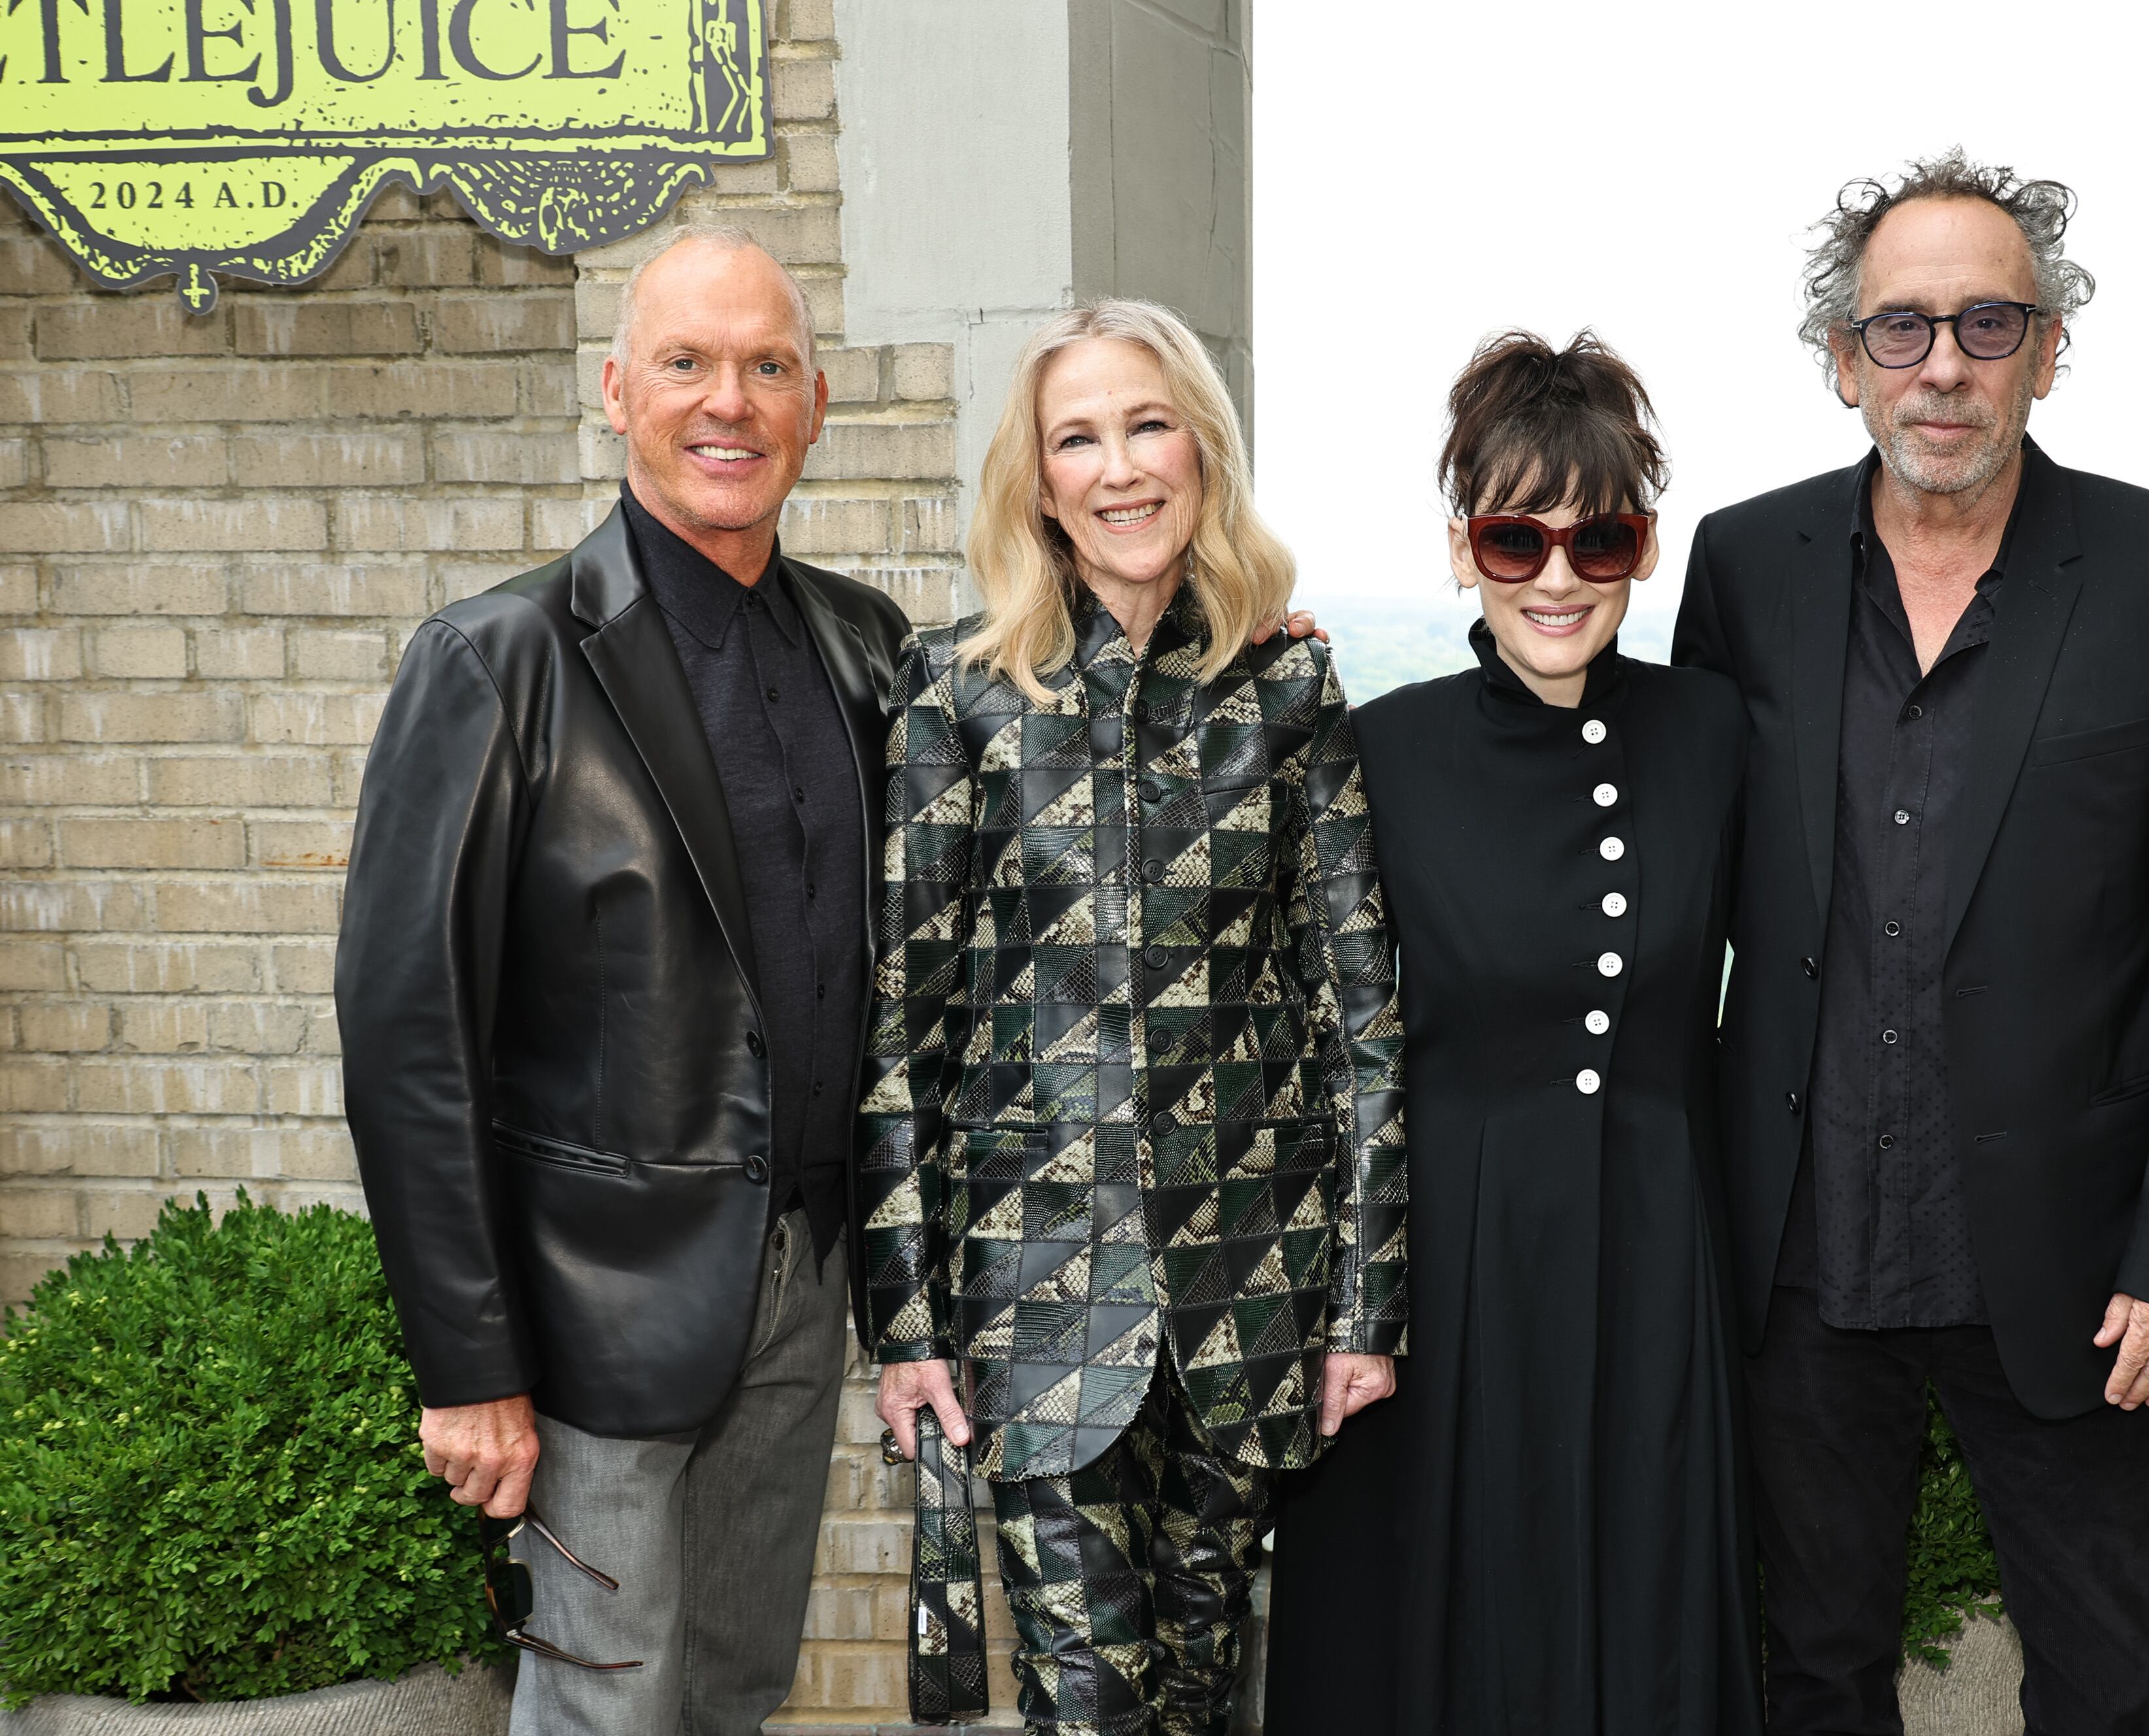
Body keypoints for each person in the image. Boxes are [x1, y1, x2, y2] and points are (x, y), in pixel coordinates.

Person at [1674, 150, 2149, 1735]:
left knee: (2101, 1679)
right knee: (1811, 1669)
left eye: (1988, 323)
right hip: (1804, 1249)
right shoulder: (1746, 567)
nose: (1943, 364)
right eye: (1902, 327)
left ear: (2050, 348)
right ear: (1842, 358)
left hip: (2079, 1270)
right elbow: (1661, 832)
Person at [336, 224, 911, 1733]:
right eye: (688, 363)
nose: (730, 400)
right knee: (604, 1710)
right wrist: (469, 1364)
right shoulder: (495, 661)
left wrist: (1222, 641)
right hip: (590, 1303)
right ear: (616, 391)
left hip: (800, 1276)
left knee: (731, 1691)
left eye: (767, 366)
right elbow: (410, 1038)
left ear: (816, 404)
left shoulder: (870, 647)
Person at [861, 298, 1407, 1736]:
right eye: (1079, 437)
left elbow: (1361, 1017)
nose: (1120, 466)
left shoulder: (1288, 687)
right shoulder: (959, 694)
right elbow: (899, 1037)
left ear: (1203, 449)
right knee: (1085, 1701)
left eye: (1148, 422)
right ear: (1039, 482)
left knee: (1208, 1692)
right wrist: (908, 1321)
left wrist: (1364, 1304)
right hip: (1035, 1306)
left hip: (1251, 1294)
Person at [1268, 331, 1758, 1736]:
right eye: (1516, 534)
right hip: (1449, 1273)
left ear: (1644, 545)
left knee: (1643, 1616)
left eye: (1598, 539)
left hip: (1662, 1259)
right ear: (1462, 542)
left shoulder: (1717, 733)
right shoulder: (1381, 748)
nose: (1556, 576)